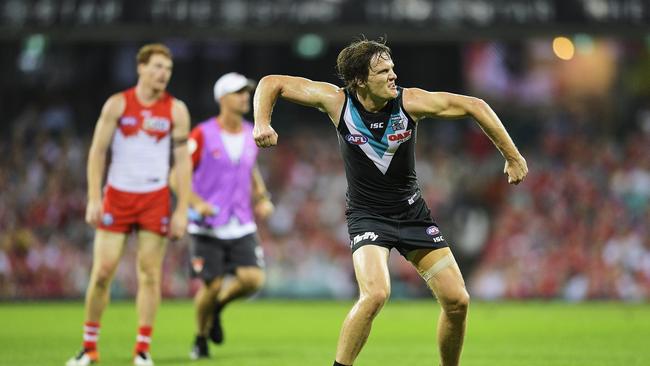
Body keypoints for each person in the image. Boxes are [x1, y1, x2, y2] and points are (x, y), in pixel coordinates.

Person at [252, 39, 528, 366]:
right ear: (358, 80)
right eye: (383, 71)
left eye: (393, 67)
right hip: (368, 218)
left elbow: (475, 105)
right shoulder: (337, 102)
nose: (394, 76)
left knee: (458, 301)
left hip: (413, 215)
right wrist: (261, 122)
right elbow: (272, 83)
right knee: (375, 295)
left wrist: (512, 157)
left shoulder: (408, 102)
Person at [66, 43, 192, 366]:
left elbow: (182, 163)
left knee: (150, 274)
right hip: (118, 196)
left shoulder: (176, 110)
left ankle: (142, 349)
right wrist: (94, 197)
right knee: (102, 272)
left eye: (168, 68)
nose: (163, 73)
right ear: (140, 67)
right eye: (157, 66)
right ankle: (89, 347)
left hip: (154, 198)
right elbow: (97, 152)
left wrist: (181, 210)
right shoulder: (118, 104)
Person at [169, 72, 274, 360]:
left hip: (240, 221)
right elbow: (176, 176)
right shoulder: (202, 134)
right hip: (206, 225)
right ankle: (200, 339)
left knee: (253, 280)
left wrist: (262, 197)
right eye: (239, 93)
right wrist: (196, 202)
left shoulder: (251, 133)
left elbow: (250, 169)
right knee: (211, 284)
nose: (245, 97)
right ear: (222, 98)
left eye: (246, 92)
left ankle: (217, 308)